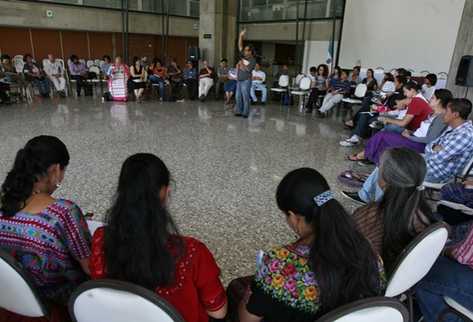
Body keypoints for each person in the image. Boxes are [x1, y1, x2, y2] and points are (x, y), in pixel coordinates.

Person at [89, 153, 227, 322]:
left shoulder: (101, 239)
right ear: (166, 192)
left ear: (122, 192)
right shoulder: (192, 251)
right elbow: (217, 311)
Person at [236, 168, 384, 322]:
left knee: (236, 289)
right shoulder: (367, 249)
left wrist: (251, 292)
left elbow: (248, 319)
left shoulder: (279, 264)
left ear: (294, 216)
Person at [0, 136, 91, 303]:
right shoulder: (63, 212)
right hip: (62, 301)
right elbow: (90, 267)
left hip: (17, 297)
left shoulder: (3, 202)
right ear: (56, 170)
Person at [346, 98, 473, 204]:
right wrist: (435, 148)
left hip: (436, 172)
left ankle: (381, 205)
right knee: (387, 159)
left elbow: (438, 157)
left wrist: (435, 148)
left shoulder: (464, 133)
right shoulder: (455, 128)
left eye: (447, 111)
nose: (443, 113)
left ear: (455, 115)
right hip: (427, 161)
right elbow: (432, 145)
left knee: (389, 166)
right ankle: (367, 197)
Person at [352, 148, 434, 272]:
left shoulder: (369, 214)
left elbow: (348, 250)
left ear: (385, 180)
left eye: (380, 166)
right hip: (401, 279)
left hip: (370, 279)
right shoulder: (425, 214)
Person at [343, 89, 452, 164]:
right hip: (414, 137)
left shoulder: (441, 118)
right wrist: (411, 133)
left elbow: (429, 139)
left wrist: (410, 137)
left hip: (419, 145)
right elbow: (423, 131)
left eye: (433, 98)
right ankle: (374, 160)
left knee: (382, 135)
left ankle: (363, 155)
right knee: (384, 141)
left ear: (439, 101)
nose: (430, 99)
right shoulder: (433, 114)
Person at [235, 29, 256, 118]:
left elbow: (247, 70)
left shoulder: (252, 60)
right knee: (237, 97)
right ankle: (239, 111)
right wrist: (240, 36)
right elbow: (240, 45)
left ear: (251, 51)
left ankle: (245, 113)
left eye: (247, 50)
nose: (245, 51)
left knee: (245, 97)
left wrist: (241, 64)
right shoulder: (243, 55)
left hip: (246, 81)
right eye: (245, 50)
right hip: (239, 80)